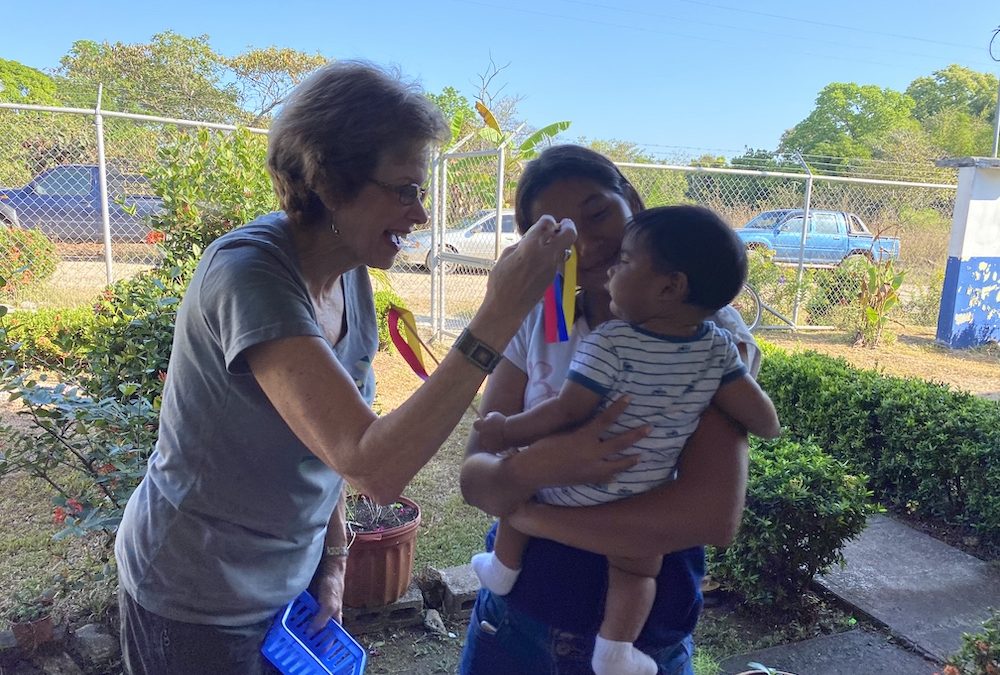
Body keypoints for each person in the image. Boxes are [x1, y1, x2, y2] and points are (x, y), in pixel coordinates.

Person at [112, 61, 594, 675]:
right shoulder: (249, 274)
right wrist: (497, 314)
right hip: (195, 595)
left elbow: (331, 450)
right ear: (328, 179)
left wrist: (332, 560)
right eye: (403, 189)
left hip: (287, 583)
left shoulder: (352, 279)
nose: (419, 214)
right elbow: (373, 464)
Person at [459, 145, 761, 675]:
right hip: (512, 622)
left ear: (630, 199)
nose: (586, 241)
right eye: (557, 230)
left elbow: (709, 516)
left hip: (641, 642)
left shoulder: (708, 334)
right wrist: (539, 467)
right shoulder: (542, 314)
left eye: (597, 213)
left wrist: (527, 510)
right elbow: (475, 478)